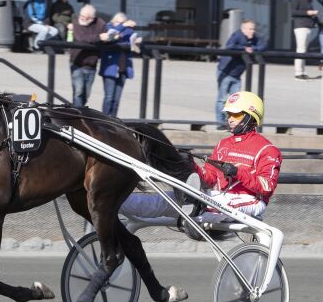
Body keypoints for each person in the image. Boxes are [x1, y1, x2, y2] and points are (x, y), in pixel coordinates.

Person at [120, 91, 282, 228]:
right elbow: (209, 179)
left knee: (207, 204)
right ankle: (115, 203)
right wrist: (190, 166)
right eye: (229, 114)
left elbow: (267, 186)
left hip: (250, 201)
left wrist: (237, 172)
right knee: (165, 200)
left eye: (236, 114)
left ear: (251, 117)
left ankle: (195, 210)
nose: (230, 118)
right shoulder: (224, 144)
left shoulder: (268, 150)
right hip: (215, 196)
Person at [216, 19, 266, 127]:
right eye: (249, 29)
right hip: (226, 71)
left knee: (235, 101)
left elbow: (262, 47)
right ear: (243, 29)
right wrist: (243, 48)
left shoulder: (254, 39)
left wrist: (252, 48)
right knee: (222, 99)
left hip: (237, 74)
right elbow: (229, 46)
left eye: (253, 29)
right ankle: (220, 123)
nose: (252, 31)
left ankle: (231, 123)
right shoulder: (237, 35)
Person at [98, 12, 138, 117]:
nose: (122, 25)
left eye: (123, 23)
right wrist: (122, 26)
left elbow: (130, 39)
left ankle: (113, 120)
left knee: (116, 99)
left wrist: (138, 41)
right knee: (109, 98)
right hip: (110, 69)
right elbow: (109, 38)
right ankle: (104, 119)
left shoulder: (127, 30)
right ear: (113, 21)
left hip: (123, 69)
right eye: (118, 22)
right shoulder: (108, 28)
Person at [69, 4, 106, 108]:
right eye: (81, 15)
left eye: (84, 17)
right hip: (77, 63)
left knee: (86, 94)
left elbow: (106, 37)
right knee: (78, 92)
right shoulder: (76, 22)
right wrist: (98, 37)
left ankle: (78, 111)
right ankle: (77, 115)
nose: (81, 18)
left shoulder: (100, 23)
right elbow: (81, 38)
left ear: (91, 18)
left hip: (91, 64)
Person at [291, 0, 318, 81]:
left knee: (304, 50)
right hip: (300, 26)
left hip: (308, 26)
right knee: (300, 49)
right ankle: (298, 73)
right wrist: (308, 12)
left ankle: (302, 72)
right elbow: (293, 12)